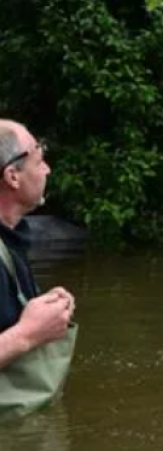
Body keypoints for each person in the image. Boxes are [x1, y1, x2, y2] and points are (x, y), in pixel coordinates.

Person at [0, 120, 75, 372]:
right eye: (39, 160)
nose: (47, 170)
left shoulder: (10, 237)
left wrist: (45, 312)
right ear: (12, 176)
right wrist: (27, 333)